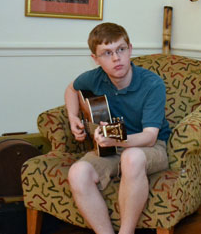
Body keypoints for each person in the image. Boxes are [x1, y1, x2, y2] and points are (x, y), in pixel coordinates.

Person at [65, 22, 171, 234]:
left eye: (120, 50)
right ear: (95, 59)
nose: (116, 58)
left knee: (131, 157)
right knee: (78, 173)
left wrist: (116, 140)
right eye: (106, 53)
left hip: (150, 147)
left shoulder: (152, 84)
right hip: (111, 147)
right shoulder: (94, 77)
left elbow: (150, 137)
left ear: (130, 49)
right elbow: (71, 88)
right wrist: (72, 116)